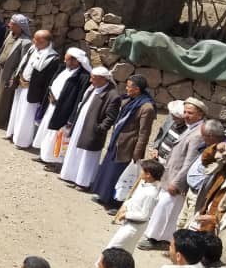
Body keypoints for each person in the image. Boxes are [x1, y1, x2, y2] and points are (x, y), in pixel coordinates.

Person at [137, 97, 208, 248]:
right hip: (171, 175)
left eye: (190, 113)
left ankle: (155, 238)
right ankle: (162, 238)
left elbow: (189, 162)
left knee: (166, 208)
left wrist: (177, 183)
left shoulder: (198, 133)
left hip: (177, 179)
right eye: (185, 112)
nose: (186, 115)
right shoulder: (191, 127)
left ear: (200, 114)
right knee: (165, 208)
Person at [91, 75, 156, 211]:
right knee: (109, 170)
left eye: (128, 86)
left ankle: (116, 203)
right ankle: (104, 196)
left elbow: (144, 133)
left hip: (128, 147)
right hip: (117, 141)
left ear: (137, 89)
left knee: (121, 175)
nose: (126, 88)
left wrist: (137, 153)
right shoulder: (129, 100)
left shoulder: (146, 107)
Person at [59, 68, 122, 189]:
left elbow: (111, 117)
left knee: (87, 156)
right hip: (81, 126)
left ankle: (83, 182)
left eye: (93, 78)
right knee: (75, 151)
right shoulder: (93, 88)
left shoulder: (112, 95)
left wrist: (99, 129)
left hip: (92, 131)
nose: (90, 80)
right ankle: (71, 176)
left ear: (102, 79)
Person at [35, 49, 92, 168]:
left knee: (58, 136)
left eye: (68, 60)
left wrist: (71, 117)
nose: (65, 62)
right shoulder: (62, 69)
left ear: (76, 61)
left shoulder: (83, 77)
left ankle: (54, 162)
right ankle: (44, 155)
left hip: (64, 111)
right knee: (48, 132)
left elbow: (78, 99)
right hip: (51, 107)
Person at [6, 30, 59, 149]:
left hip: (33, 91)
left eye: (38, 41)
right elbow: (24, 64)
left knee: (26, 116)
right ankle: (12, 133)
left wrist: (42, 98)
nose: (35, 42)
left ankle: (22, 141)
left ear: (46, 42)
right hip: (21, 85)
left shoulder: (52, 58)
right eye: (34, 39)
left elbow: (48, 81)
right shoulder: (32, 49)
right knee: (16, 111)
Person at [0, 14, 32, 129]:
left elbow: (22, 62)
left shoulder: (26, 42)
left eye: (12, 23)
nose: (9, 25)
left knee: (3, 97)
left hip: (9, 73)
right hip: (0, 69)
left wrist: (14, 76)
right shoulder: (10, 34)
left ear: (19, 26)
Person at [107, 159, 164, 253]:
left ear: (148, 175)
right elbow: (133, 198)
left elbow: (144, 215)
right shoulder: (143, 185)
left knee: (114, 248)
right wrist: (125, 206)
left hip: (135, 227)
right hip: (128, 223)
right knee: (121, 250)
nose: (140, 172)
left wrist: (126, 215)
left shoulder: (151, 194)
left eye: (142, 170)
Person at [149, 100, 188, 165]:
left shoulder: (188, 130)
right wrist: (155, 148)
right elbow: (161, 133)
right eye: (172, 115)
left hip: (170, 164)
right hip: (157, 159)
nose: (173, 119)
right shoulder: (171, 118)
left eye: (176, 117)